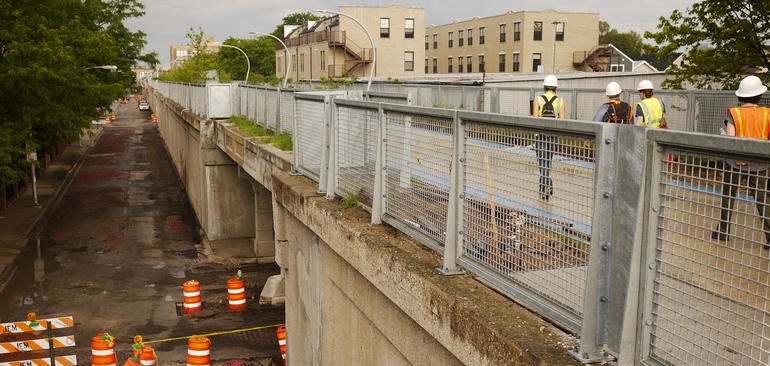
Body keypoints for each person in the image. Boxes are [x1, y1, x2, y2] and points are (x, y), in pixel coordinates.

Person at [711, 75, 770, 249]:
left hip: (735, 161)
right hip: (760, 163)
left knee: (728, 195)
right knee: (762, 199)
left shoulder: (734, 113)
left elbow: (730, 138)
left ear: (740, 96)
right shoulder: (767, 114)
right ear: (759, 95)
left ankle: (723, 231)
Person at [531, 74, 565, 200]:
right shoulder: (560, 101)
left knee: (542, 163)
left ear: (544, 86)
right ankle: (543, 189)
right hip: (553, 136)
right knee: (547, 163)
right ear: (556, 87)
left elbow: (535, 119)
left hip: (539, 135)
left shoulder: (538, 99)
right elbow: (562, 121)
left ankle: (547, 186)